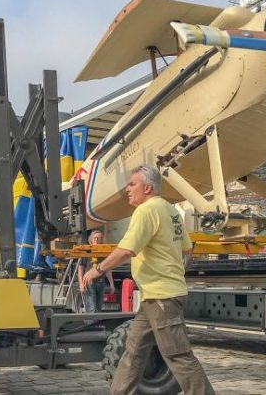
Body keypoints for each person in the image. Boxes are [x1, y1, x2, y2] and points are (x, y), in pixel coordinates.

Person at [82, 165, 214, 395]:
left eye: (132, 184)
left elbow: (126, 250)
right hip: (155, 297)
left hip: (162, 297)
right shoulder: (170, 211)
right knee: (133, 352)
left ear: (147, 187)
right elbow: (185, 248)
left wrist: (97, 270)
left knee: (178, 356)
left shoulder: (146, 211)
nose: (127, 190)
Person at [76, 230, 115, 313]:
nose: (97, 240)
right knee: (91, 308)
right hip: (89, 282)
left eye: (99, 238)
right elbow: (80, 268)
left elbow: (108, 269)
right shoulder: (87, 250)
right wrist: (81, 284)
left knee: (99, 308)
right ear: (91, 240)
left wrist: (111, 283)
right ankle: (90, 324)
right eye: (95, 238)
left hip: (101, 282)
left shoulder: (104, 252)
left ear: (102, 240)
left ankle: (96, 325)